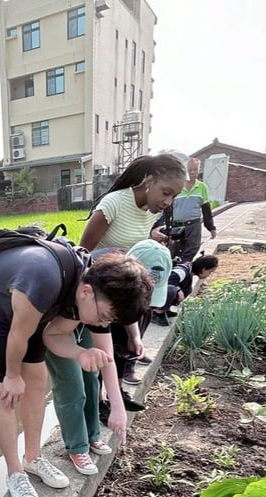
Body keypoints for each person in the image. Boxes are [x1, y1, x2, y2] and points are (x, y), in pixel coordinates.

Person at [0, 245, 152, 497]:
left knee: (37, 380)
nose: (103, 325)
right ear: (87, 293)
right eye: (105, 317)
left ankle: (32, 457)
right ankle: (15, 472)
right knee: (6, 393)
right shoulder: (45, 280)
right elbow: (17, 334)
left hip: (27, 314)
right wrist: (12, 375)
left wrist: (80, 353)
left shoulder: (82, 286)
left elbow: (54, 335)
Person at [79, 154, 185, 410]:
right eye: (166, 192)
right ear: (148, 181)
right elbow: (81, 253)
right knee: (104, 350)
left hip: (131, 290)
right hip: (104, 294)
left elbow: (135, 243)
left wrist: (150, 238)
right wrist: (116, 257)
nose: (168, 202)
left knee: (126, 346)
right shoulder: (113, 204)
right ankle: (100, 402)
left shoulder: (149, 212)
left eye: (174, 196)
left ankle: (117, 393)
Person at [44, 249, 161, 475]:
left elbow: (106, 359)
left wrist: (118, 407)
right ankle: (77, 446)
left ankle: (92, 436)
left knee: (92, 377)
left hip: (84, 318)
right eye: (107, 317)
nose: (107, 322)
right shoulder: (96, 295)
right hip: (57, 331)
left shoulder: (104, 309)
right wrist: (78, 352)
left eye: (111, 319)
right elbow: (52, 333)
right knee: (72, 385)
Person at [163, 157, 217, 264]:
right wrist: (166, 227)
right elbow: (167, 209)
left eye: (195, 169)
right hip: (177, 226)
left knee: (190, 253)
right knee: (172, 253)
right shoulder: (177, 186)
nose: (192, 172)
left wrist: (211, 228)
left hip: (193, 226)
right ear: (185, 170)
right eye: (190, 169)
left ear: (199, 170)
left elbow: (206, 210)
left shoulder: (202, 187)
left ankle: (184, 270)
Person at [152, 253, 219, 326]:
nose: (209, 275)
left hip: (156, 295)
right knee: (171, 289)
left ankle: (165, 309)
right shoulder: (182, 271)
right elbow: (167, 281)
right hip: (151, 296)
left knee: (187, 289)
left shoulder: (189, 271)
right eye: (210, 272)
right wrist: (178, 290)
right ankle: (156, 313)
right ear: (203, 269)